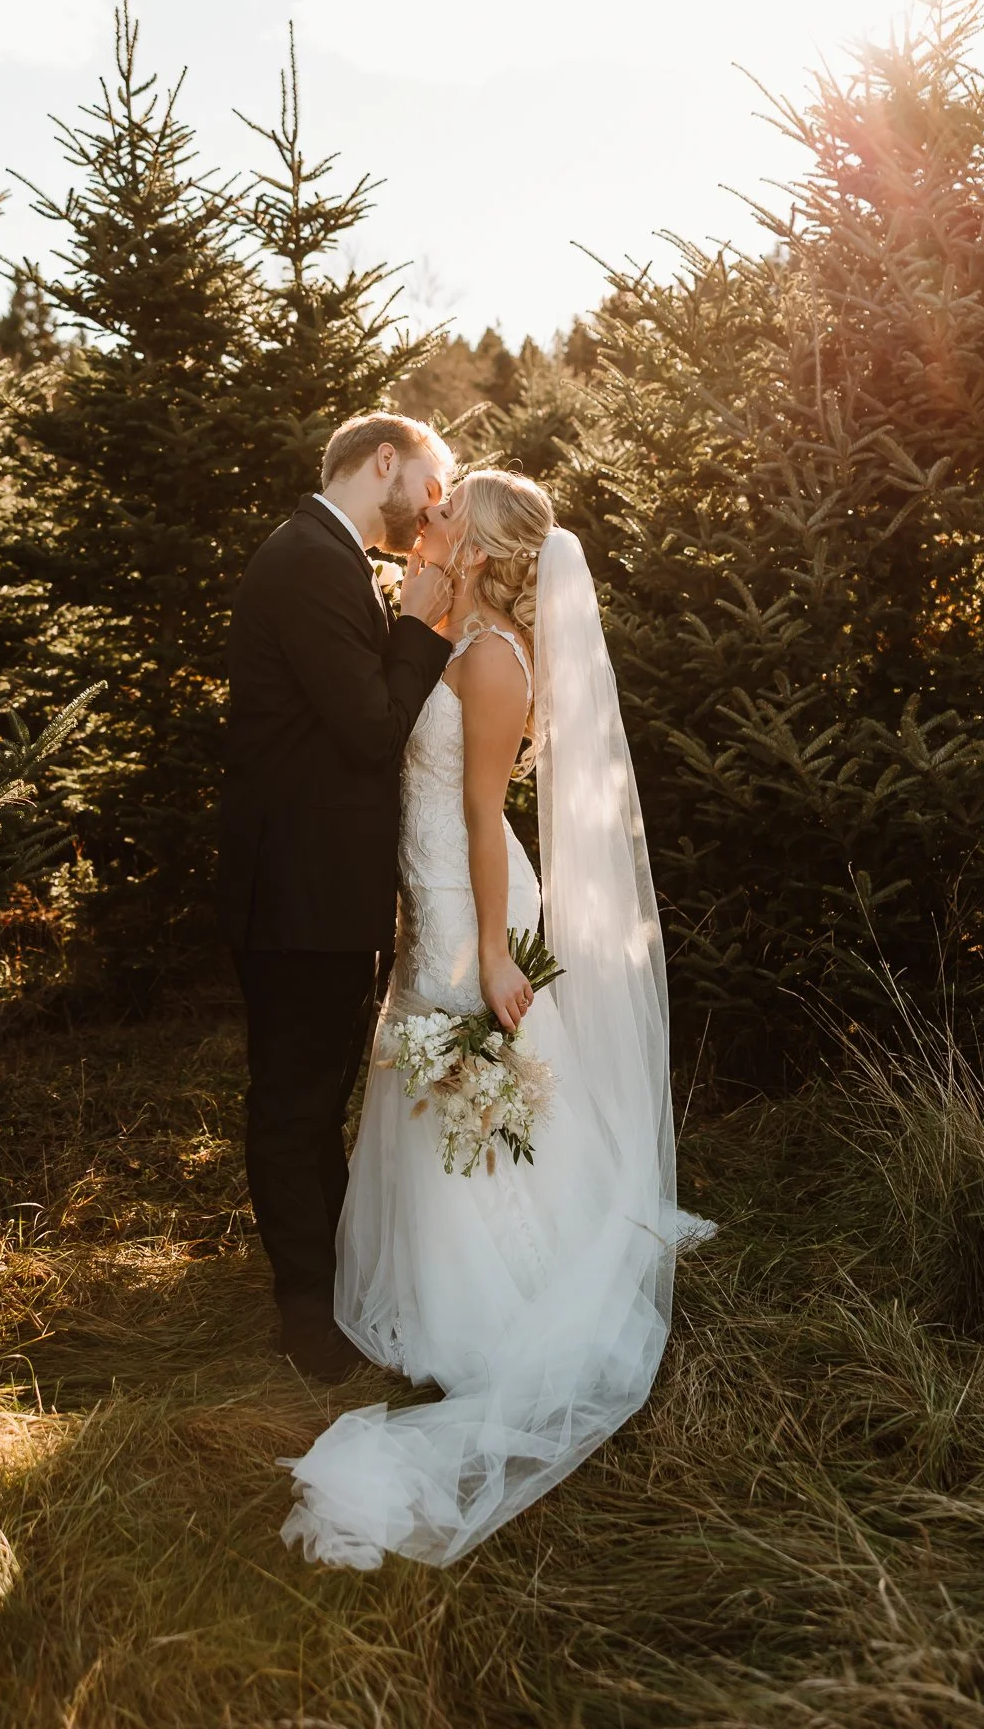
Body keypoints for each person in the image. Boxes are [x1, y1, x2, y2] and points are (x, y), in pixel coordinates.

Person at [280, 470, 713, 1568]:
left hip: (471, 900)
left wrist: (483, 949)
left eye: (454, 505)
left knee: (471, 1076)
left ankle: (508, 1294)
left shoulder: (492, 657)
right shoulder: (451, 628)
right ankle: (436, 1283)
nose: (440, 511)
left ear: (490, 541)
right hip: (428, 891)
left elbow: (483, 811)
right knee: (431, 1081)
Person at [218, 413, 454, 1381]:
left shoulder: (329, 553)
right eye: (430, 488)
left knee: (313, 1099)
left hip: (318, 891)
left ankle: (332, 1294)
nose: (433, 510)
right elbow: (369, 726)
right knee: (291, 1103)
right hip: (297, 895)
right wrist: (419, 623)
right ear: (384, 463)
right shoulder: (311, 560)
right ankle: (306, 1321)